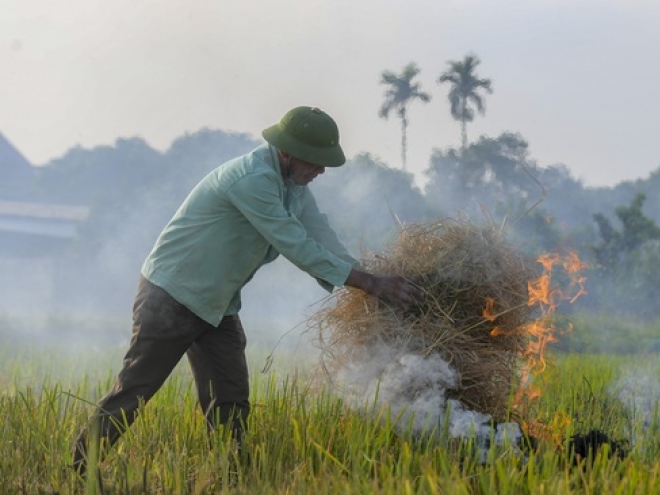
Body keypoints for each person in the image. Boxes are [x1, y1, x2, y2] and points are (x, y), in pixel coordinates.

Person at [72, 105, 422, 475]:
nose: (320, 170)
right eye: (316, 162)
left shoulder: (293, 187)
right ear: (287, 152)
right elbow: (295, 244)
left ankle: (230, 474)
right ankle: (80, 468)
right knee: (137, 388)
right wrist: (369, 284)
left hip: (217, 303)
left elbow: (320, 235)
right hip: (172, 294)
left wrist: (371, 279)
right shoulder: (252, 180)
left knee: (230, 394)